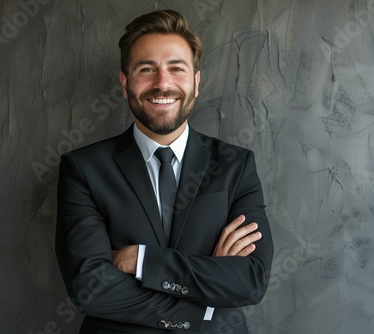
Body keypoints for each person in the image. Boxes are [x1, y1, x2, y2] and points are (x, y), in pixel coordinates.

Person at [55, 9, 273, 334]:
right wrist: (209, 303)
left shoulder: (236, 165)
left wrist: (142, 260)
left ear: (196, 82)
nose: (163, 84)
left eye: (176, 68)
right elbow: (91, 288)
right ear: (125, 81)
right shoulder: (84, 168)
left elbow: (251, 280)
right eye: (147, 69)